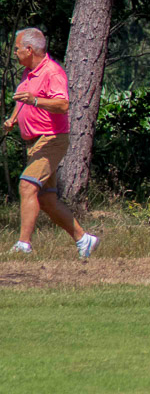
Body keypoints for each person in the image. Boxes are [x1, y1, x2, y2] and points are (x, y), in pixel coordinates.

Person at [4, 28, 98, 258]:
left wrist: (36, 100)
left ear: (29, 49)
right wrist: (13, 119)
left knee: (27, 186)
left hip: (51, 140)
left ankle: (23, 245)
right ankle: (84, 240)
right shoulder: (28, 73)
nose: (14, 52)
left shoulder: (52, 72)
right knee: (46, 200)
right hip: (35, 143)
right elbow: (23, 99)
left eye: (17, 48)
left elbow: (63, 105)